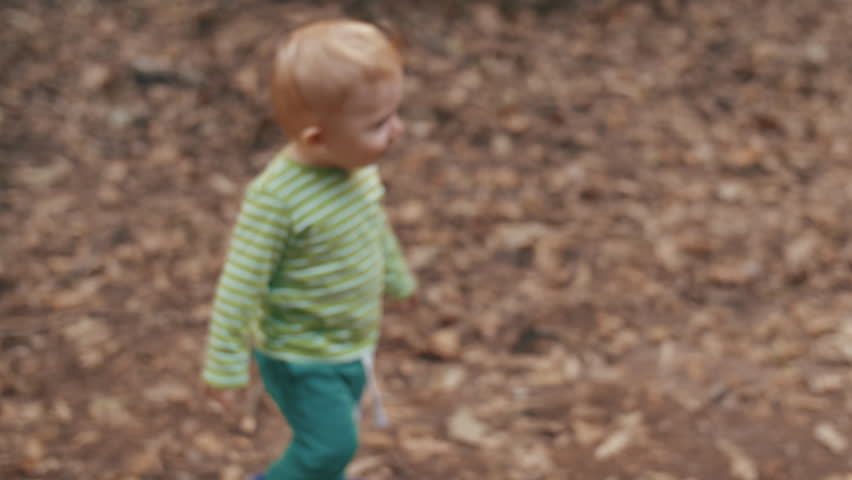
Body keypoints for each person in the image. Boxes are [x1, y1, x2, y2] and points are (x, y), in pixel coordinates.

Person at [201, 18, 417, 480]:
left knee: (330, 450)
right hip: (299, 355)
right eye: (379, 124)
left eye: (395, 113)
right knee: (330, 447)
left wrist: (398, 278)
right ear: (317, 138)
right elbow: (240, 283)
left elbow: (372, 225)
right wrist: (224, 364)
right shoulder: (276, 199)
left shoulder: (356, 167)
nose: (397, 130)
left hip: (351, 344)